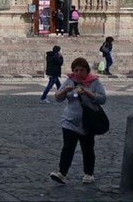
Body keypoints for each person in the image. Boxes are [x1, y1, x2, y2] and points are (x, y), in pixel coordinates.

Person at [50, 56, 107, 185]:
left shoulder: (95, 82)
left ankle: (88, 173)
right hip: (69, 120)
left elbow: (103, 99)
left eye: (81, 70)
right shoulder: (69, 81)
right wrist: (65, 91)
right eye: (75, 70)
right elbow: (57, 98)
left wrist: (88, 93)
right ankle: (62, 173)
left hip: (88, 121)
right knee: (68, 148)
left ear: (87, 70)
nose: (78, 73)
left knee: (87, 148)